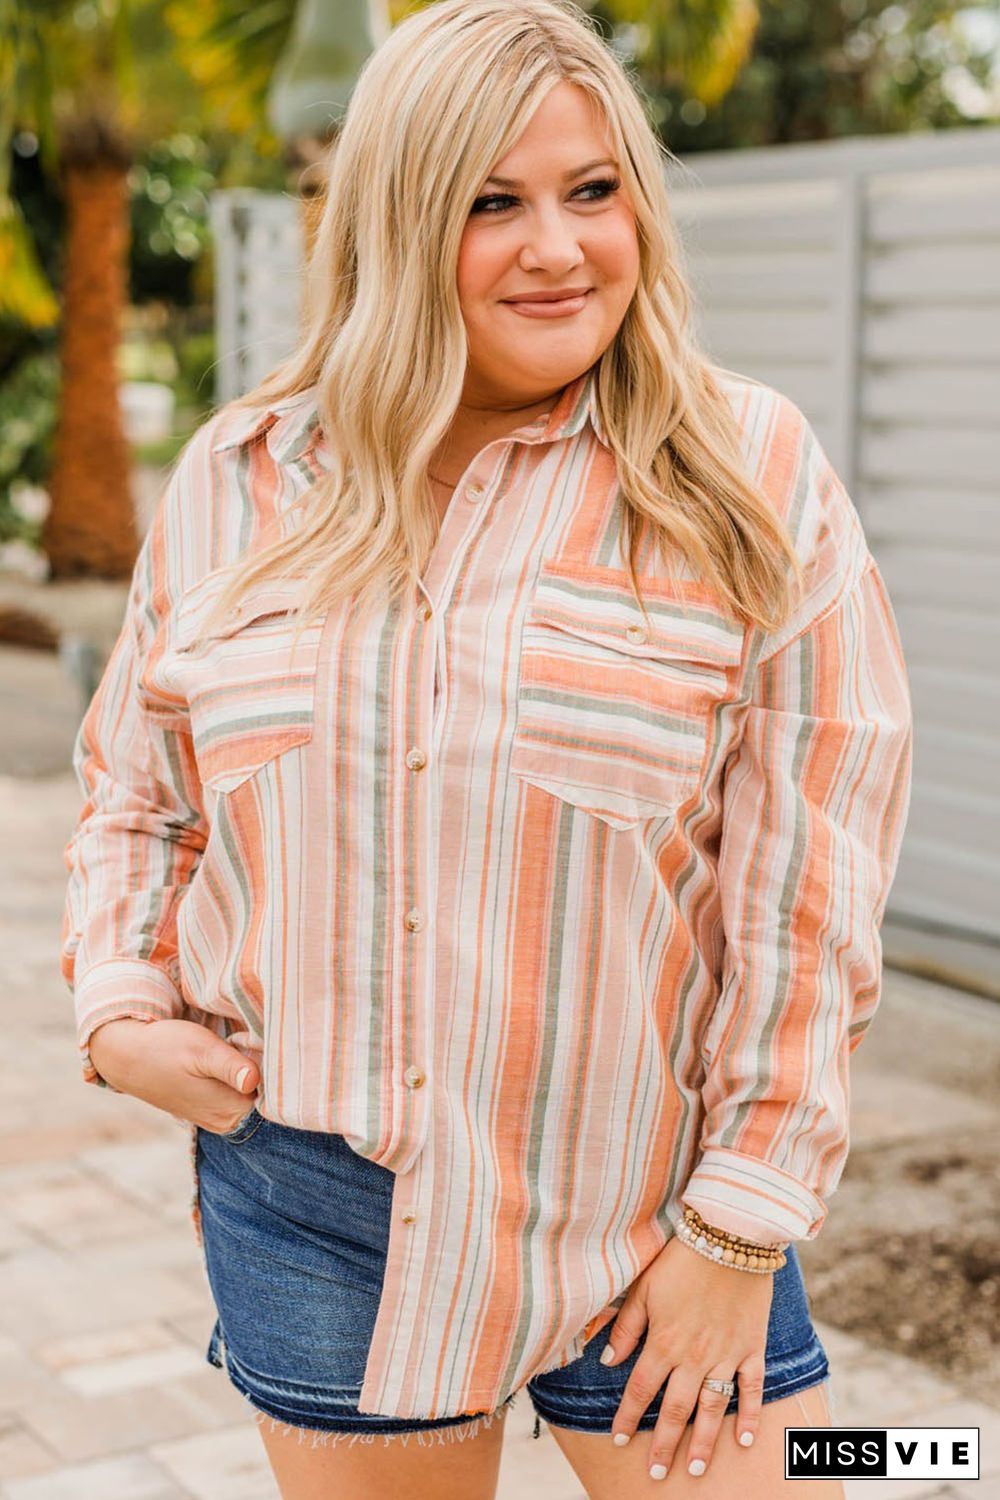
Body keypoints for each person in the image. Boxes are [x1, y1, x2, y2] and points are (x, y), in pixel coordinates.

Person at [59, 2, 913, 1496]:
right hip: (315, 1206)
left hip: (661, 1208)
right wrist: (121, 1007)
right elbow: (139, 794)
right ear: (394, 224)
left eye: (595, 193)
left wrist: (738, 1227)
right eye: (491, 204)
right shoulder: (240, 477)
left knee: (850, 1473)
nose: (559, 248)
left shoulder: (752, 471)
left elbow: (812, 881)